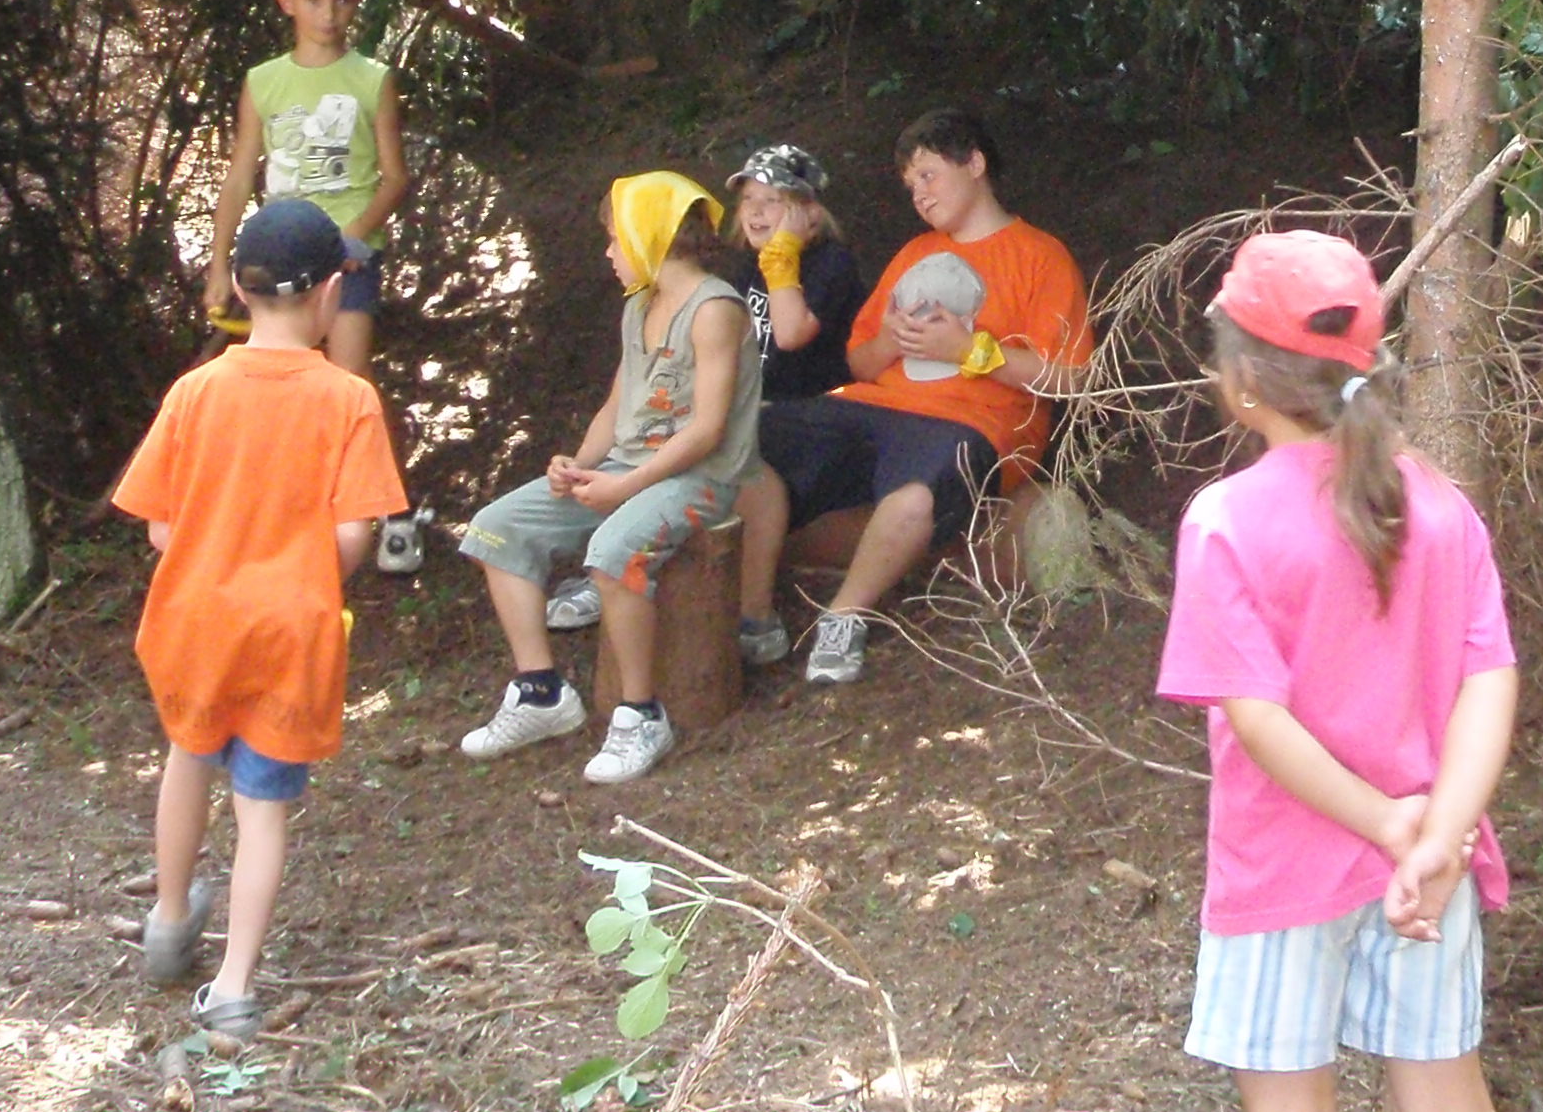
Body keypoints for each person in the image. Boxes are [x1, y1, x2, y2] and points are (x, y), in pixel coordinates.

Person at [1156, 232, 1543, 1112]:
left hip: (1282, 871)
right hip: (1432, 867)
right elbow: (1489, 678)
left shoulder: (1226, 521)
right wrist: (1437, 833)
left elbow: (1256, 718)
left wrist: (1387, 827)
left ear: (1242, 379)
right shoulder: (1440, 506)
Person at [115, 200, 407, 1040]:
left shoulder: (196, 391)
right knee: (262, 809)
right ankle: (234, 988)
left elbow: (160, 526)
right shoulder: (348, 400)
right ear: (330, 294)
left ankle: (170, 922)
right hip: (290, 631)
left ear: (241, 291)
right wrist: (300, 571)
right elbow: (353, 535)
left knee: (187, 758)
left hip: (194, 622)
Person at [735, 109, 1090, 686]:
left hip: (973, 423)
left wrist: (973, 351)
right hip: (873, 406)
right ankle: (754, 615)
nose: (919, 195)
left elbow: (1070, 379)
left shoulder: (1040, 255)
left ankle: (844, 616)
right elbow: (858, 362)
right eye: (910, 185)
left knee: (916, 494)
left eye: (928, 175)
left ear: (975, 164)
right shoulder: (913, 252)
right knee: (746, 441)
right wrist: (890, 342)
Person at [454, 174, 758, 783]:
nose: (609, 253)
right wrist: (579, 464)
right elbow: (617, 406)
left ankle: (641, 714)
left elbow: (706, 431)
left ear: (649, 236)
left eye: (616, 239)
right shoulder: (638, 305)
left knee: (614, 553)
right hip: (626, 468)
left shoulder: (714, 310)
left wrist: (625, 487)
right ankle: (541, 691)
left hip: (699, 478)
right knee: (495, 528)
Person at [556, 144, 863, 667]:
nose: (757, 213)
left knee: (747, 470)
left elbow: (790, 334)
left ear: (811, 211)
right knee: (670, 434)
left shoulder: (830, 263)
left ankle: (756, 615)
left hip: (816, 411)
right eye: (749, 201)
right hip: (750, 408)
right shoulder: (740, 270)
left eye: (774, 200)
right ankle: (610, 569)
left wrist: (782, 257)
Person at [204, 0, 415, 560]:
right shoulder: (264, 81)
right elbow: (240, 175)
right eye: (315, 0)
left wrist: (351, 239)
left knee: (348, 383)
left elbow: (394, 177)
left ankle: (385, 513)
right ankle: (286, 509)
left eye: (341, 1)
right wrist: (219, 265)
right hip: (280, 251)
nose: (328, 14)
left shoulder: (372, 79)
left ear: (356, 5)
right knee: (274, 382)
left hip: (349, 256)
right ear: (287, 2)